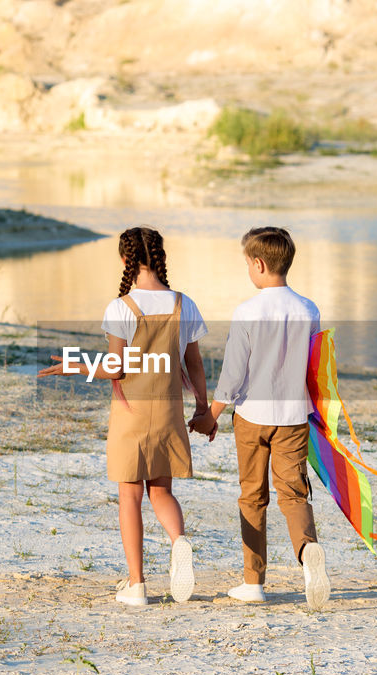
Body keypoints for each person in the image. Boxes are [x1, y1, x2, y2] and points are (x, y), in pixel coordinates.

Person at [40, 227, 210, 607]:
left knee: (130, 495)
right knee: (162, 491)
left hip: (131, 412)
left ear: (124, 260)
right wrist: (201, 406)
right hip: (168, 411)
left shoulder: (121, 307)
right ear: (160, 257)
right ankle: (179, 542)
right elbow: (194, 364)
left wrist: (75, 364)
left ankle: (137, 585)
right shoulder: (185, 304)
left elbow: (116, 368)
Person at [189, 226, 330, 610]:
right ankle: (307, 555)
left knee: (253, 497)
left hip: (252, 417)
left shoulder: (248, 311)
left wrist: (210, 415)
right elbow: (316, 368)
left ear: (259, 263)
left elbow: (234, 374)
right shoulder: (308, 309)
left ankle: (253, 582)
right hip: (294, 417)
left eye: (247, 264)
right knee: (294, 494)